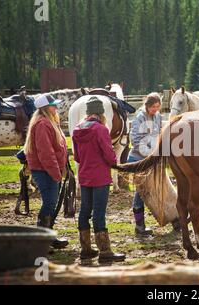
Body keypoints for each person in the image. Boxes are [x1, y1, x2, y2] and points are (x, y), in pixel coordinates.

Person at [73, 97, 126, 263]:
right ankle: (104, 251)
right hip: (100, 176)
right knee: (99, 212)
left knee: (84, 211)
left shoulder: (77, 129)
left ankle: (86, 249)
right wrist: (114, 164)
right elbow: (110, 155)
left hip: (84, 175)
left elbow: (77, 157)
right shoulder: (101, 129)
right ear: (101, 113)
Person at [128, 93, 180, 236]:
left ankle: (175, 219)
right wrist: (149, 153)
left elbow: (159, 135)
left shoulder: (157, 117)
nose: (155, 109)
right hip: (138, 160)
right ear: (147, 105)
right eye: (153, 107)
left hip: (153, 160)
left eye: (158, 107)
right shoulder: (139, 118)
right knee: (141, 194)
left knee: (165, 189)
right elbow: (135, 140)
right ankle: (139, 225)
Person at [23, 94, 69, 249]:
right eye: (53, 105)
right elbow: (46, 153)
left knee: (51, 202)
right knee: (49, 203)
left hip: (47, 169)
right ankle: (41, 239)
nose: (56, 107)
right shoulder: (43, 124)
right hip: (45, 170)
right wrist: (56, 173)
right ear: (45, 108)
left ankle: (47, 237)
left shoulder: (48, 122)